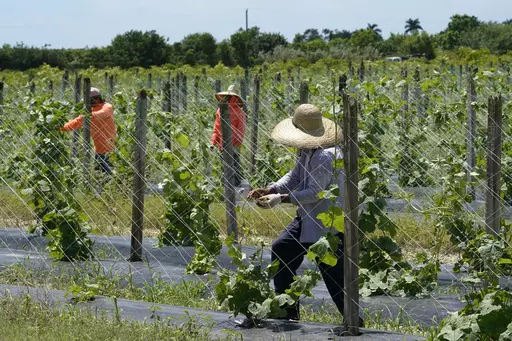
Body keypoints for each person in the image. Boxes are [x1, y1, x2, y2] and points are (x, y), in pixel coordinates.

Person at [248, 104, 363, 328]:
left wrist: (281, 199)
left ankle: (353, 322)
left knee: (333, 274)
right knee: (282, 248)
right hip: (307, 217)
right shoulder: (309, 150)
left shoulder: (326, 156)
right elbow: (295, 174)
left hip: (327, 222)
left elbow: (314, 193)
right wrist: (271, 189)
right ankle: (287, 313)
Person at [61, 87, 116, 175]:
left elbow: (102, 114)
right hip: (98, 147)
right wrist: (61, 128)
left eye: (89, 100)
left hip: (110, 146)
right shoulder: (88, 112)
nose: (86, 103)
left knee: (108, 172)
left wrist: (86, 116)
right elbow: (75, 123)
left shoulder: (107, 106)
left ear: (96, 99)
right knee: (101, 173)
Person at [210, 84, 246, 187]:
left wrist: (235, 144)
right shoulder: (220, 111)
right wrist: (213, 142)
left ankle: (235, 188)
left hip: (233, 145)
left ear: (235, 97)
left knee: (234, 165)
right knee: (225, 166)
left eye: (229, 97)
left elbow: (241, 131)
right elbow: (216, 128)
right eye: (226, 96)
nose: (227, 98)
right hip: (223, 144)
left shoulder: (239, 112)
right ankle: (227, 189)